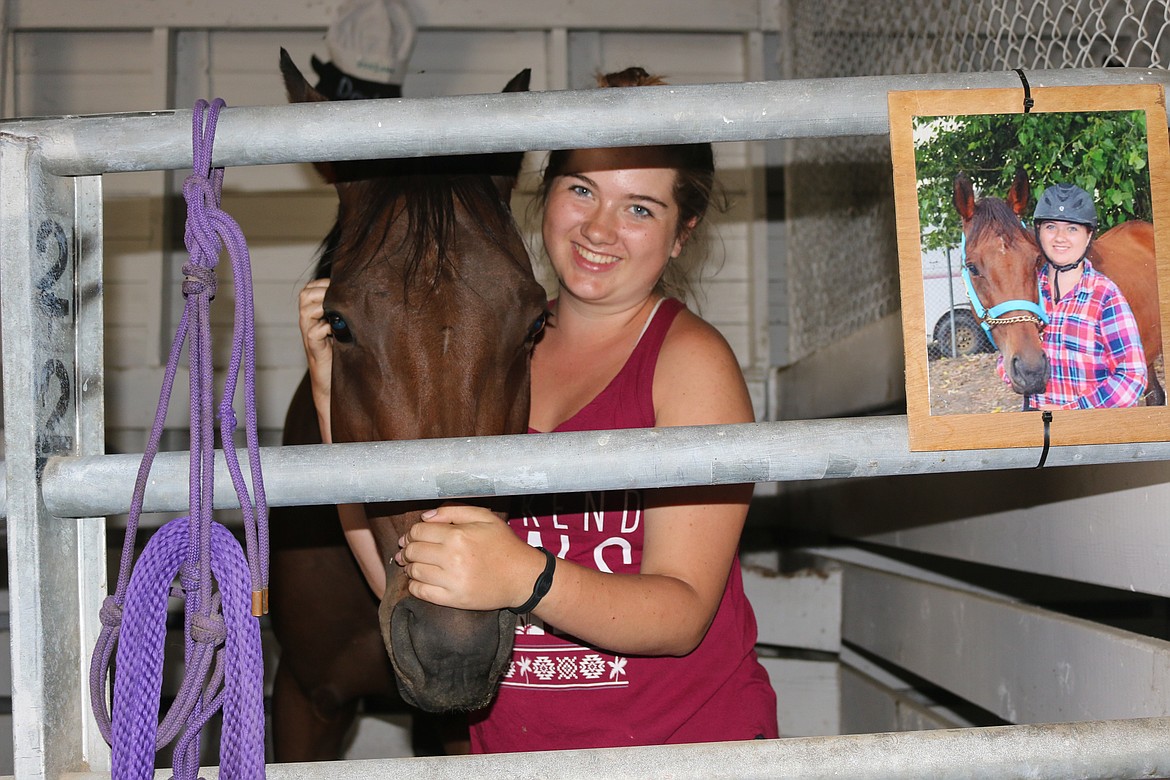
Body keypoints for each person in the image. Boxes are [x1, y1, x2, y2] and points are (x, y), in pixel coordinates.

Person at [298, 66, 778, 752]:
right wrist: (326, 378)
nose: (600, 229)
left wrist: (526, 575)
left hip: (679, 749)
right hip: (521, 755)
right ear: (545, 191)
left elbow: (683, 615)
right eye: (581, 189)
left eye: (640, 207)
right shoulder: (494, 344)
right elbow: (403, 572)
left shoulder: (688, 362)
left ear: (681, 233)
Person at [1002, 182, 1146, 409]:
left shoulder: (1105, 296)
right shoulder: (1027, 291)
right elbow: (1011, 347)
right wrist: (1008, 368)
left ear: (1088, 236)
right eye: (1051, 227)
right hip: (1037, 419)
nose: (1060, 237)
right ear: (1038, 232)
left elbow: (1132, 377)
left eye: (1072, 229)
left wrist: (1074, 413)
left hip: (1089, 431)